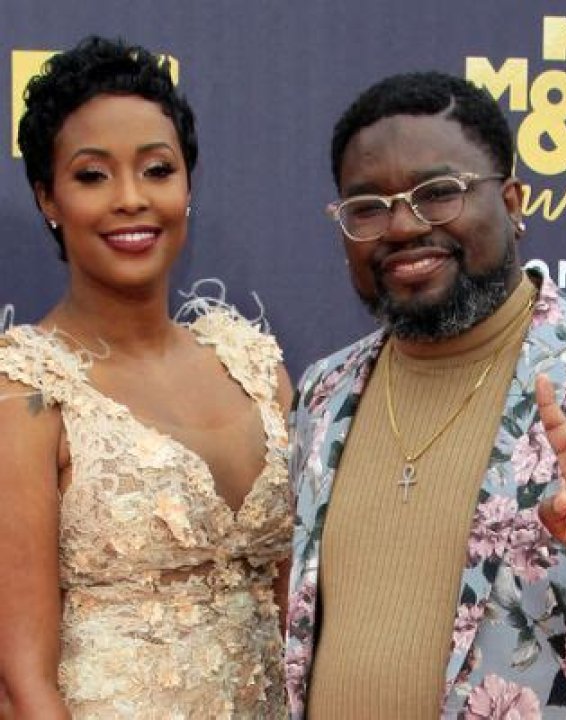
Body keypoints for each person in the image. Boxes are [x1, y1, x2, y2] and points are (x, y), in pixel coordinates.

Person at [286, 71, 566, 719]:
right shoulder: (323, 392)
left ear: (512, 202)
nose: (401, 226)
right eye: (368, 207)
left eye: (438, 193)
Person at [0, 36, 292, 719]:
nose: (131, 199)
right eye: (92, 176)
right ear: (48, 198)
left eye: (157, 170)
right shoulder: (24, 391)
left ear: (187, 186)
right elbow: (21, 685)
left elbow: (301, 617)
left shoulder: (255, 367)